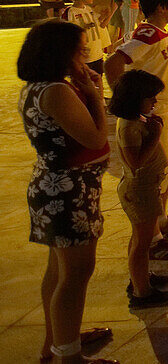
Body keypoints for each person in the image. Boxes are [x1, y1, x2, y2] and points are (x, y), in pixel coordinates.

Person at [18, 20, 116, 364]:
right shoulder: (56, 91)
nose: (84, 56)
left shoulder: (40, 87)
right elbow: (95, 138)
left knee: (59, 273)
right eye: (79, 50)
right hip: (66, 192)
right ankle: (69, 357)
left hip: (57, 187)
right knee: (75, 276)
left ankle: (57, 343)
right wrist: (94, 95)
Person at [105, 0, 168, 250]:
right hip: (153, 116)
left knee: (167, 168)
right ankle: (153, 239)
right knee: (153, 175)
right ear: (162, 7)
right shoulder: (147, 34)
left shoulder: (157, 33)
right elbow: (114, 62)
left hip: (164, 113)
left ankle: (162, 221)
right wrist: (128, 105)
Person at [109, 70, 168, 309]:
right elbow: (134, 162)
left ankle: (140, 277)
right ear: (135, 99)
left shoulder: (136, 119)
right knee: (142, 242)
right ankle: (142, 292)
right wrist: (155, 136)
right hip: (140, 190)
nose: (155, 102)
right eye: (151, 98)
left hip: (146, 189)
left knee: (139, 238)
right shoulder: (129, 126)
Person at [62, 0, 107, 75]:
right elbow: (68, 33)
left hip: (97, 53)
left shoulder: (89, 9)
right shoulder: (70, 12)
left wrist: (106, 15)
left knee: (98, 79)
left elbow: (98, 25)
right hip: (84, 56)